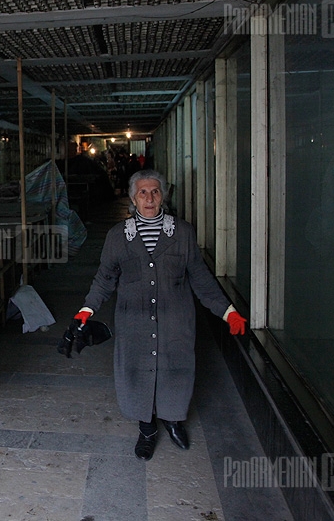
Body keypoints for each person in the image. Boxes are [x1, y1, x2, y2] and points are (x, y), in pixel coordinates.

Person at [70, 169, 247, 461]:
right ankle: (147, 429)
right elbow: (104, 278)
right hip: (134, 321)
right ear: (132, 198)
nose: (149, 198)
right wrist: (87, 309)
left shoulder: (183, 233)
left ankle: (173, 420)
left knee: (175, 371)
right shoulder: (117, 236)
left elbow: (201, 278)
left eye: (155, 192)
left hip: (175, 319)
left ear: (163, 196)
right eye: (143, 192)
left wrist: (228, 312)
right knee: (138, 373)